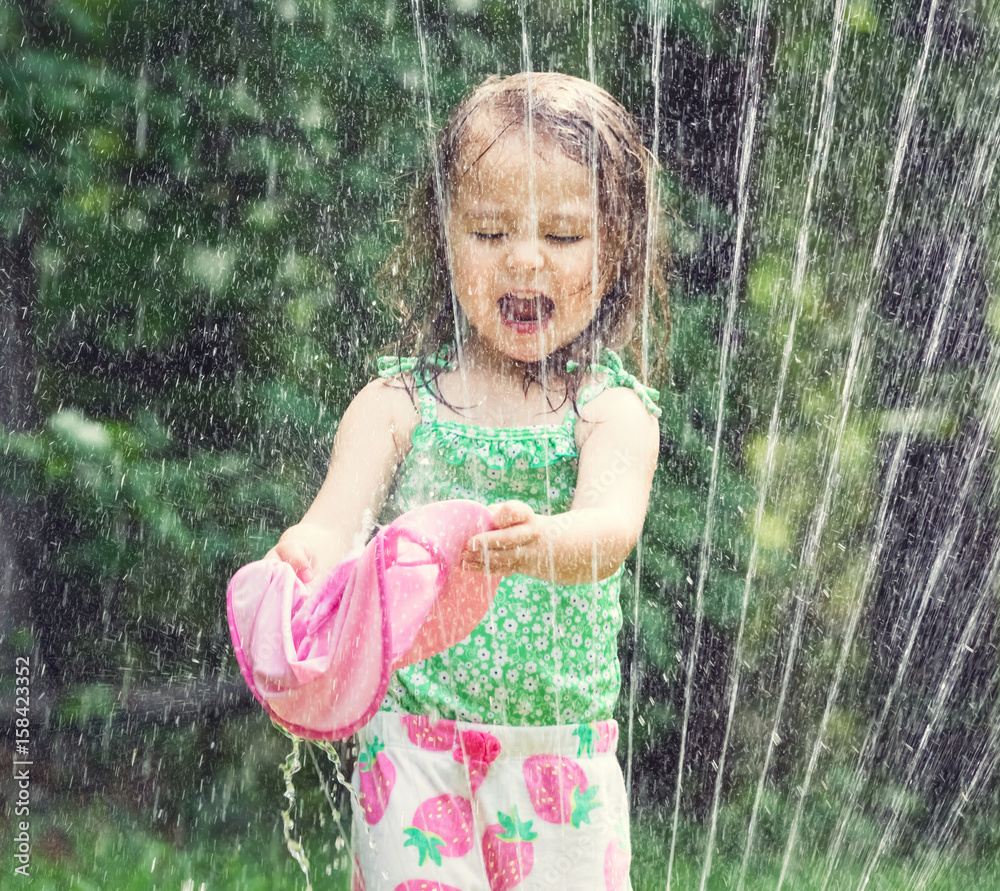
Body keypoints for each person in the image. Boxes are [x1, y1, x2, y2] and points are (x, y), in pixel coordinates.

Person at [271, 71, 669, 890]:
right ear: (443, 235)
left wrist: (536, 545)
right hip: (413, 746)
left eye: (562, 236)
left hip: (559, 761)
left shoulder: (610, 412)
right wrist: (300, 561)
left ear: (617, 247)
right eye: (489, 232)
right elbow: (331, 523)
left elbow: (608, 534)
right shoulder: (396, 404)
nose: (525, 259)